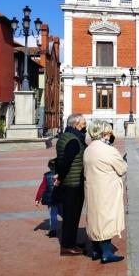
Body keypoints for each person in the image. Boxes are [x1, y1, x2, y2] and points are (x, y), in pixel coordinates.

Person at [83, 120, 127, 264]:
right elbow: (122, 168)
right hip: (107, 189)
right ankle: (107, 253)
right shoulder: (108, 150)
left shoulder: (89, 149)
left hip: (92, 189)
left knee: (95, 218)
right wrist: (124, 160)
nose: (110, 135)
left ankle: (96, 250)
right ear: (103, 133)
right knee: (107, 218)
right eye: (108, 132)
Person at [55, 113, 88, 256]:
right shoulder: (74, 141)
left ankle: (71, 242)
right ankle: (67, 246)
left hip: (71, 182)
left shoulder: (66, 137)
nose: (85, 127)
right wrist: (60, 177)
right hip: (72, 184)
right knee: (71, 216)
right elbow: (66, 162)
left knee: (72, 215)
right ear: (75, 124)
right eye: (83, 124)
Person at [35, 159, 61, 238]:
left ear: (49, 167)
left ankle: (53, 231)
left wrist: (37, 199)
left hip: (51, 199)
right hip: (61, 198)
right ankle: (69, 228)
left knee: (53, 214)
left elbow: (42, 188)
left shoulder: (46, 176)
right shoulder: (62, 174)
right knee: (64, 213)